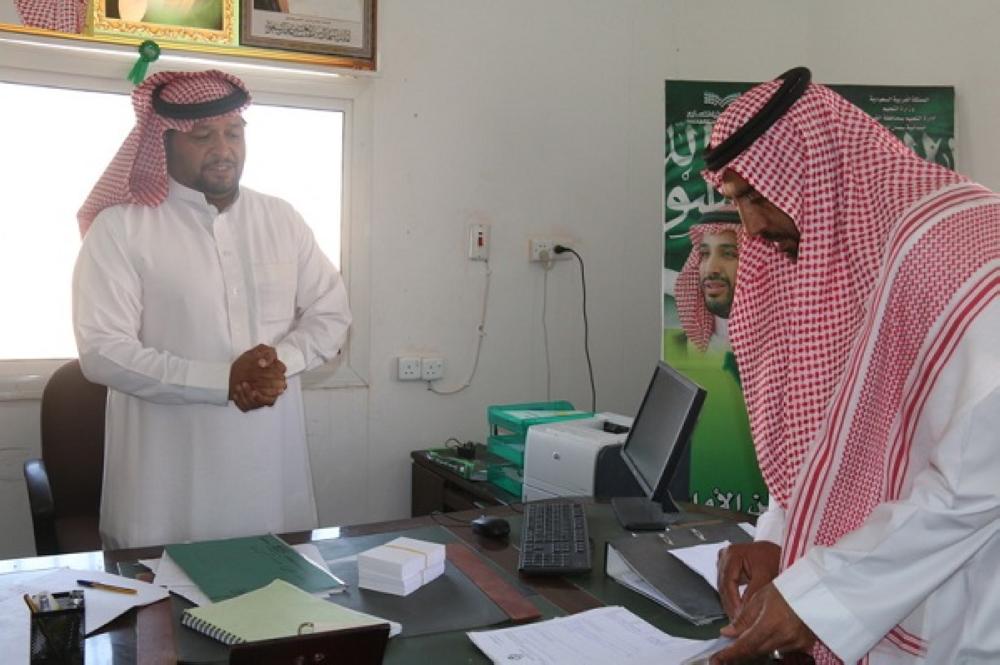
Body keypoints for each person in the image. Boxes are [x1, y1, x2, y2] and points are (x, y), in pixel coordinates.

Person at [699, 67, 1000, 664]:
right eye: (736, 202)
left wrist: (819, 595)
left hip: (961, 614)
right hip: (866, 593)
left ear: (814, 171)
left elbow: (975, 485)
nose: (752, 227)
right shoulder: (833, 254)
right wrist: (780, 539)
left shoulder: (963, 251)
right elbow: (821, 431)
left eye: (756, 196)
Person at [73, 69, 351, 549]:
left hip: (269, 472)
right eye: (203, 136)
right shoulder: (121, 229)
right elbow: (102, 350)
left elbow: (331, 315)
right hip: (166, 485)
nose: (223, 149)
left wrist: (278, 364)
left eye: (234, 133)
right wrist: (223, 380)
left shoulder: (281, 218)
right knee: (166, 592)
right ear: (164, 142)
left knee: (276, 587)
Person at [675, 206, 741, 352]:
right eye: (704, 254)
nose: (711, 269)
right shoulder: (680, 348)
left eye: (728, 254)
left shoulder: (785, 346)